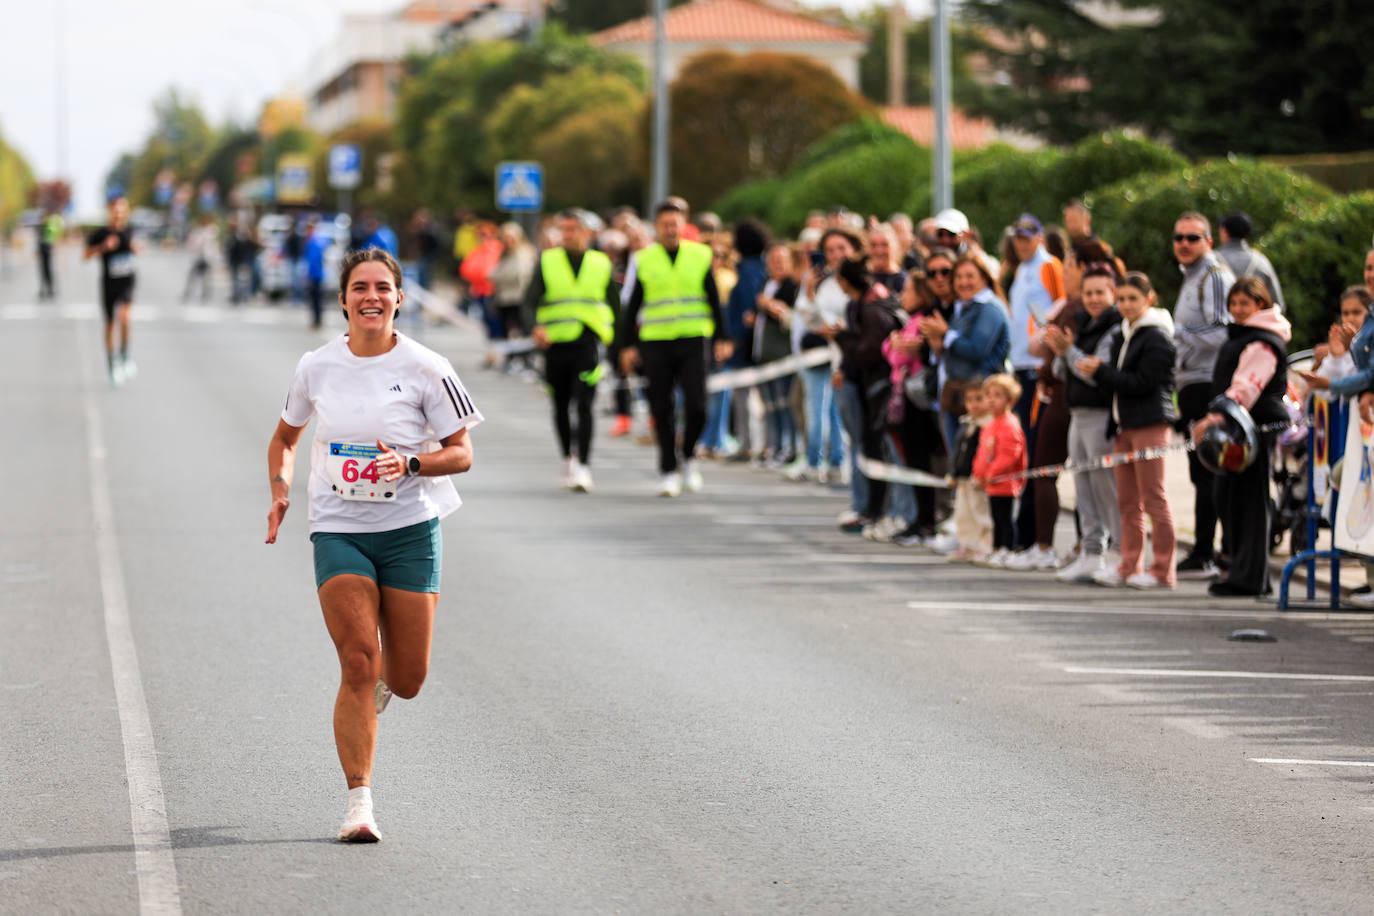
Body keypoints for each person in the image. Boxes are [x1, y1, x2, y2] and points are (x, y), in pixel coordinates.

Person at [265, 248, 481, 843]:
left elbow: (461, 451)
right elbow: (284, 438)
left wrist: (411, 461)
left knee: (406, 679)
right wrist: (282, 489)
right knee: (358, 658)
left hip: (410, 529)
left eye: (382, 287)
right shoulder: (317, 366)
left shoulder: (427, 367)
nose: (371, 297)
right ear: (342, 299)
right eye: (359, 287)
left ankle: (388, 682)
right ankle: (359, 802)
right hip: (338, 527)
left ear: (399, 298)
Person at [618, 199, 732, 497]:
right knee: (661, 406)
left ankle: (689, 456)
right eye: (665, 225)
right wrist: (628, 345)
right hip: (656, 341)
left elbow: (712, 298)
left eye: (675, 224)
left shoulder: (700, 254)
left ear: (684, 225)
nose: (670, 230)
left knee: (697, 405)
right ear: (657, 227)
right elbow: (633, 306)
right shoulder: (644, 258)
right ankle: (668, 469)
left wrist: (723, 337)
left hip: (694, 339)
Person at [1076, 271, 1178, 589]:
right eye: (1121, 299)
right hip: (1123, 426)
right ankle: (1129, 564)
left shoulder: (1157, 336)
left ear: (1149, 299)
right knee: (1127, 500)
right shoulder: (1123, 333)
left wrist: (1102, 372)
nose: (1126, 305)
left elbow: (1143, 384)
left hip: (1150, 424)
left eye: (1133, 298)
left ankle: (1162, 569)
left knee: (1154, 499)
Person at [1190, 277, 1290, 597]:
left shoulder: (1262, 341)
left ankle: (1250, 578)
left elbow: (1247, 386)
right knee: (1229, 497)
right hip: (1240, 429)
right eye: (1233, 304)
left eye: (1245, 304)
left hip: (1254, 429)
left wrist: (1215, 417)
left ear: (1261, 304)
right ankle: (1239, 570)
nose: (1237, 310)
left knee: (1250, 502)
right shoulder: (1247, 335)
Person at [522, 210, 618, 491]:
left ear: (587, 233)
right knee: (561, 404)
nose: (567, 235)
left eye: (573, 229)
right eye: (563, 229)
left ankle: (584, 465)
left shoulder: (601, 263)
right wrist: (535, 327)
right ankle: (567, 457)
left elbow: (615, 304)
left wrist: (618, 343)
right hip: (555, 344)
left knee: (585, 403)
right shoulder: (548, 261)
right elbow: (529, 301)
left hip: (588, 343)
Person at [1045, 263, 1123, 581]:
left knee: (1107, 487)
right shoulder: (1081, 324)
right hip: (1076, 412)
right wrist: (1062, 352)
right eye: (1088, 293)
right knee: (1083, 487)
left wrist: (1069, 352)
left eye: (1099, 293)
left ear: (1112, 294)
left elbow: (1093, 373)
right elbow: (1064, 370)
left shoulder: (1115, 328)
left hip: (1100, 414)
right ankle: (1091, 552)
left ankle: (1119, 552)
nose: (1093, 299)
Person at [1171, 211, 1236, 579]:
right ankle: (1208, 550)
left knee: (1210, 469)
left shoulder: (1213, 276)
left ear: (1208, 242)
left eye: (1192, 238)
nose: (1184, 244)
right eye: (1179, 237)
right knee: (1202, 471)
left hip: (1208, 383)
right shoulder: (1192, 276)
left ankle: (1211, 552)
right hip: (1192, 384)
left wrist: (1178, 334)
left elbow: (1221, 331)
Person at [1005, 213, 1066, 557]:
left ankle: (1029, 535)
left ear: (1040, 238)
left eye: (1028, 237)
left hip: (1037, 368)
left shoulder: (1049, 265)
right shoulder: (1019, 269)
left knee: (1034, 450)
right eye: (1018, 237)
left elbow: (1059, 307)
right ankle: (1022, 532)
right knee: (1025, 449)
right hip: (1020, 366)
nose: (1022, 242)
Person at [833, 256, 906, 533]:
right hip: (869, 387)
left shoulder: (873, 308)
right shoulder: (857, 305)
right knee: (869, 447)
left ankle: (883, 511)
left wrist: (841, 338)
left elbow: (866, 352)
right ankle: (874, 510)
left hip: (880, 387)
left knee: (878, 449)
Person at [920, 254, 1012, 454]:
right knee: (959, 465)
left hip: (982, 397)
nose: (963, 282)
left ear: (984, 278)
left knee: (977, 463)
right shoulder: (963, 308)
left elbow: (977, 350)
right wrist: (938, 344)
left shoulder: (990, 309)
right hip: (957, 396)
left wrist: (946, 334)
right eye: (959, 277)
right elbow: (952, 350)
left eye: (970, 276)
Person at [883, 266, 947, 543]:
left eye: (907, 290)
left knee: (922, 460)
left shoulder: (921, 321)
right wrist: (894, 344)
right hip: (908, 399)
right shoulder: (911, 321)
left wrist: (896, 345)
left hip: (918, 400)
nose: (902, 295)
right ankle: (920, 519)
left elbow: (898, 358)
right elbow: (890, 350)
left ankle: (926, 522)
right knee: (914, 460)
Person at [790, 228, 858, 489]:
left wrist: (844, 327)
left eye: (841, 248)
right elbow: (811, 320)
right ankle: (827, 462)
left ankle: (836, 462)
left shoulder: (859, 280)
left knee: (841, 417)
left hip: (854, 358)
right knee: (828, 411)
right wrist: (809, 294)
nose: (836, 255)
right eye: (830, 250)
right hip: (830, 357)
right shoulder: (825, 282)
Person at [84, 196, 142, 387]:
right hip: (109, 283)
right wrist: (103, 247)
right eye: (116, 209)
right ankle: (111, 363)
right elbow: (85, 255)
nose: (119, 213)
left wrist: (136, 248)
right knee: (109, 323)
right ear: (110, 211)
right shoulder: (101, 233)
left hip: (127, 281)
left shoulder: (129, 231)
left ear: (126, 211)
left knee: (125, 317)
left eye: (122, 209)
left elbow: (139, 248)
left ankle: (124, 355)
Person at [752, 242, 800, 468]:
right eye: (773, 261)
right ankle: (774, 446)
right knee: (770, 406)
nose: (777, 265)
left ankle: (789, 447)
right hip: (763, 355)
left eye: (782, 261)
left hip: (783, 356)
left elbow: (792, 318)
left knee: (785, 405)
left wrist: (772, 307)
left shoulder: (792, 287)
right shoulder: (765, 284)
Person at [972, 373, 1028, 566]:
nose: (991, 399)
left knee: (1005, 518)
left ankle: (1008, 549)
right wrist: (979, 473)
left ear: (1010, 400)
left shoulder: (1010, 424)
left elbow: (1009, 455)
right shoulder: (989, 425)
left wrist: (992, 472)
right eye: (988, 395)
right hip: (991, 484)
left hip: (1006, 483)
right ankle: (996, 548)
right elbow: (981, 453)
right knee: (995, 518)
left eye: (997, 395)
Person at [947, 378, 991, 561]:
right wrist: (953, 473)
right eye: (969, 399)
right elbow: (959, 453)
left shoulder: (987, 425)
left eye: (979, 399)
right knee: (963, 514)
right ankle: (967, 545)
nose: (974, 404)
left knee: (981, 513)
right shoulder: (966, 423)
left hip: (978, 480)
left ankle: (985, 546)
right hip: (963, 479)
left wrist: (982, 474)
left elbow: (987, 455)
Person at [1216, 211, 1284, 312]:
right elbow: (1278, 305)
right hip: (1255, 325)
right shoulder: (1261, 260)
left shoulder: (1211, 259)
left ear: (1224, 232)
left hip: (1218, 326)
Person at [182, 213, 218, 304]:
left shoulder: (212, 230)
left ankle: (205, 295)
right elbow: (192, 243)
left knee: (206, 278)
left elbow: (213, 245)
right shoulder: (197, 231)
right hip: (197, 257)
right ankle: (188, 294)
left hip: (207, 257)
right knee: (192, 277)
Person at [37, 208, 63, 300]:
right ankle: (45, 290)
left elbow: (51, 237)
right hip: (44, 249)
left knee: (47, 271)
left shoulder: (48, 226)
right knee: (44, 271)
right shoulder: (43, 226)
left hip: (47, 249)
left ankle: (49, 290)